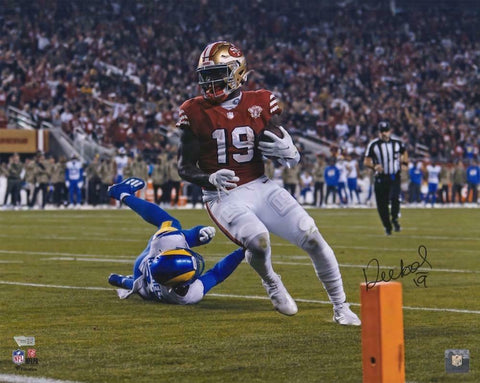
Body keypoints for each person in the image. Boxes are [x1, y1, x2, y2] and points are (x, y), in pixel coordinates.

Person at [176, 41, 360, 325]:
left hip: (261, 185)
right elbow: (184, 167)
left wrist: (291, 151)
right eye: (207, 75)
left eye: (217, 73)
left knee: (311, 234)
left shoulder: (261, 101)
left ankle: (341, 307)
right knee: (258, 241)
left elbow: (276, 141)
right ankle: (272, 281)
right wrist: (208, 178)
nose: (210, 82)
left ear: (237, 72)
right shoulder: (193, 110)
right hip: (223, 195)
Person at [107, 177, 245, 304]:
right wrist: (242, 250)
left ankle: (122, 193)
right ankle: (123, 281)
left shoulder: (163, 243)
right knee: (141, 287)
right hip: (147, 287)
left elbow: (216, 273)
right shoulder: (188, 296)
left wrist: (198, 235)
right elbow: (216, 273)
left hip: (144, 268)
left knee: (170, 223)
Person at [364, 121, 408, 235]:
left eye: (386, 131)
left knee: (395, 198)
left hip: (394, 176)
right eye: (382, 131)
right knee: (382, 204)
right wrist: (374, 166)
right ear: (379, 132)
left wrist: (404, 163)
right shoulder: (373, 145)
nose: (384, 133)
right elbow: (366, 161)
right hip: (380, 178)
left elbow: (404, 152)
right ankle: (387, 227)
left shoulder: (398, 143)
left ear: (390, 131)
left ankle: (394, 218)